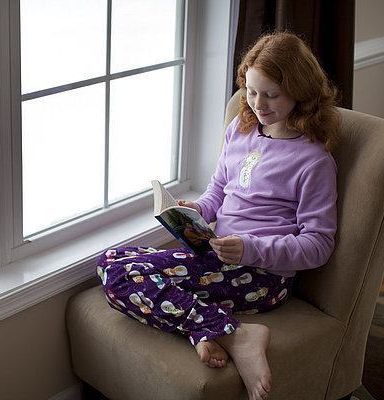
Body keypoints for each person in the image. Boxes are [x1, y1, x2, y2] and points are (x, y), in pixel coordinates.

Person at [96, 31, 339, 400]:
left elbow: (318, 245)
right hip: (217, 256)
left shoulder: (314, 161)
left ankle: (239, 335)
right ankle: (211, 328)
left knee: (118, 277)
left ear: (300, 92)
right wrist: (198, 210)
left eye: (272, 94)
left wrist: (250, 249)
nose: (258, 103)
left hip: (262, 277)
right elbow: (219, 191)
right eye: (252, 91)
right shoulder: (240, 129)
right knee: (112, 259)